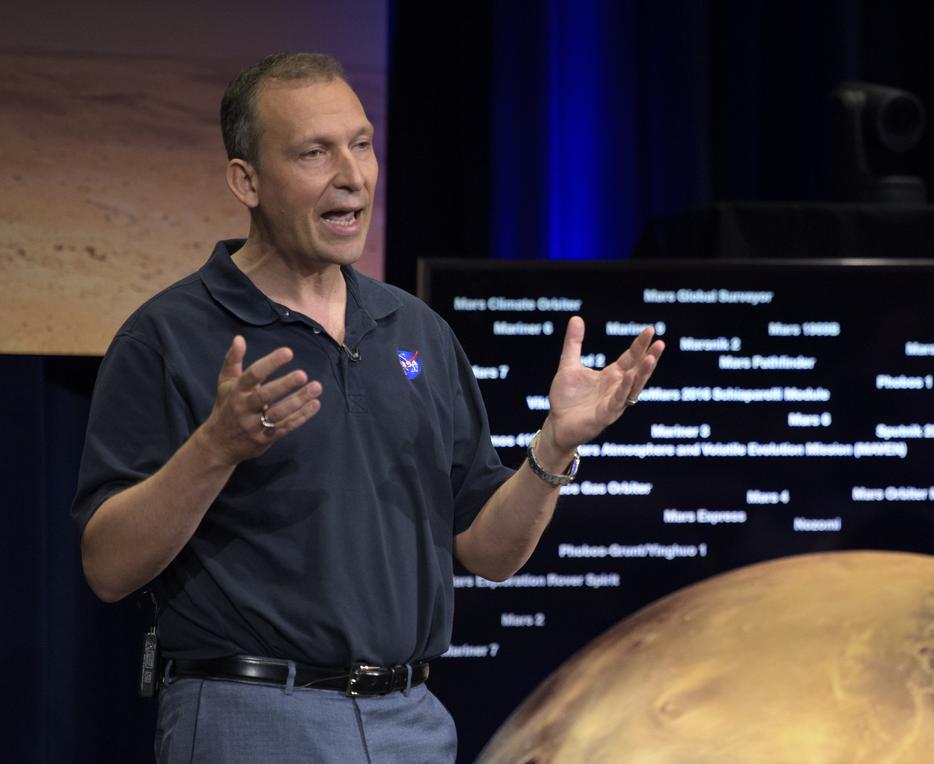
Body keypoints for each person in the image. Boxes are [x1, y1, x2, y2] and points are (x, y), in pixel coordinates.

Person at [71, 52, 663, 762]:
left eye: (361, 144)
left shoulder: (416, 332)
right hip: (251, 718)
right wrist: (214, 449)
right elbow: (107, 566)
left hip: (411, 721)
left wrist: (555, 447)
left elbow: (486, 550)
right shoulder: (168, 334)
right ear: (246, 181)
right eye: (314, 153)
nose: (352, 175)